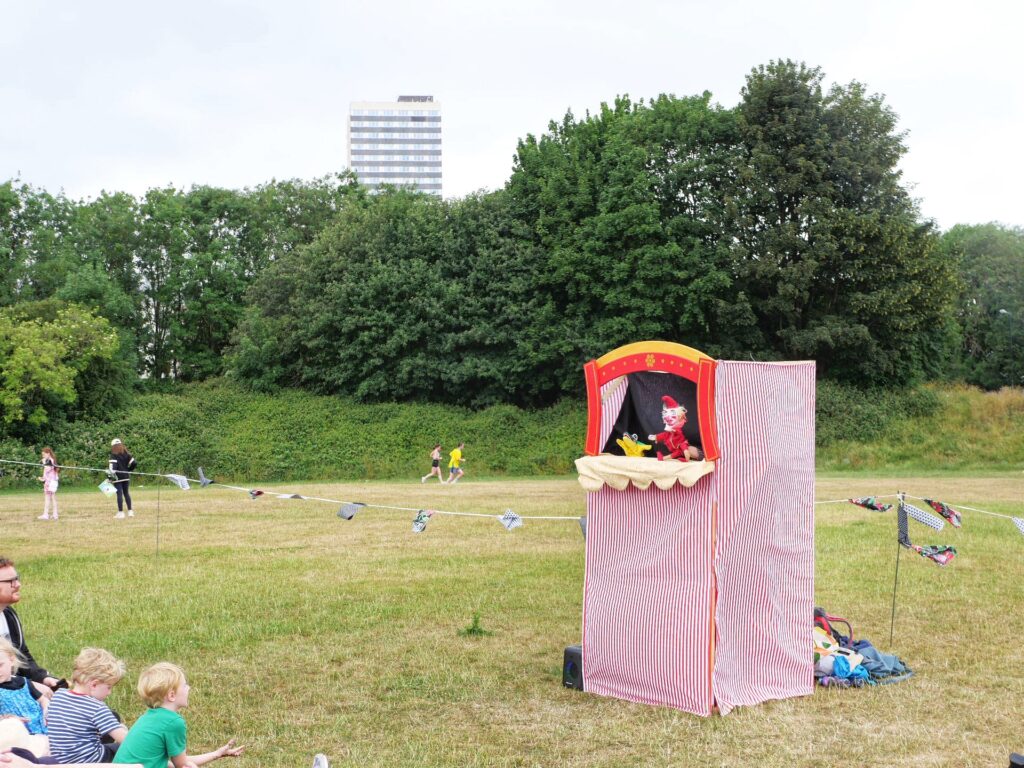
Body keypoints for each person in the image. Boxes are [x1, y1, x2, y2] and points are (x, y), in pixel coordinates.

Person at [113, 662, 242, 768]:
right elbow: (183, 765)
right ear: (172, 695)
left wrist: (217, 754)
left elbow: (177, 762)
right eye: (185, 685)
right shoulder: (174, 722)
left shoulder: (148, 717)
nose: (189, 688)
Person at [45, 648, 127, 764]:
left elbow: (49, 721)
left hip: (61, 760)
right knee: (121, 749)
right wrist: (124, 730)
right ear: (94, 684)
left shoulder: (58, 695)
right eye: (109, 687)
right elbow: (126, 741)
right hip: (90, 761)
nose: (109, 693)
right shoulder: (96, 708)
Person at [0, 558, 58, 702]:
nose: (18, 585)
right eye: (11, 581)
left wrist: (43, 678)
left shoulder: (8, 614)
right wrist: (29, 686)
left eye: (17, 578)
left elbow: (22, 655)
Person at [0, 638, 48, 758]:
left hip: (42, 730)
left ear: (11, 660)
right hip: (18, 740)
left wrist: (47, 708)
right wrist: (7, 720)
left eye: (0, 665)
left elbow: (42, 699)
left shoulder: (24, 682)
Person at [107, 440, 136, 520]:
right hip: (126, 476)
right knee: (126, 493)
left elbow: (112, 469)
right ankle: (130, 512)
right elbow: (134, 463)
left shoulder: (113, 455)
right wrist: (129, 470)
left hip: (118, 478)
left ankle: (121, 513)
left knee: (119, 494)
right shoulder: (126, 453)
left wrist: (109, 478)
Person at [36, 449, 59, 522]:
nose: (43, 456)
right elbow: (48, 473)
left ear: (48, 453)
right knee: (51, 498)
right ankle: (54, 515)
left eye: (44, 454)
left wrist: (43, 463)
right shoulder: (51, 461)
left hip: (50, 482)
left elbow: (48, 469)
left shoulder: (49, 461)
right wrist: (43, 478)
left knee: (49, 498)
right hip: (51, 481)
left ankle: (47, 515)